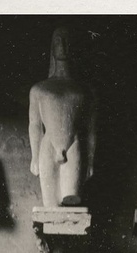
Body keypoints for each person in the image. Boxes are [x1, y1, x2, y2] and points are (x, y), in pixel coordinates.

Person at [28, 26, 96, 208]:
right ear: (52, 47)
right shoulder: (39, 89)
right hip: (48, 146)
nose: (63, 46)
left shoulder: (84, 92)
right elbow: (35, 125)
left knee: (71, 205)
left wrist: (90, 161)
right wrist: (34, 156)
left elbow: (91, 130)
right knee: (50, 206)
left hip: (73, 145)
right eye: (59, 41)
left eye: (67, 41)